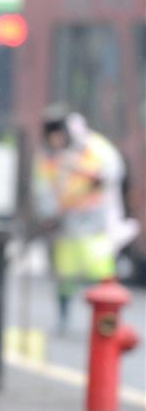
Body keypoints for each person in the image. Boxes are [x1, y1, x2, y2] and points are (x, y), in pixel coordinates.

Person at [33, 105, 131, 331]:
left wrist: (83, 171)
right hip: (65, 224)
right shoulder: (47, 157)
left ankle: (107, 319)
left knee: (102, 271)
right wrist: (47, 214)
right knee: (65, 276)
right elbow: (42, 187)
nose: (56, 140)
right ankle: (64, 318)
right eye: (52, 136)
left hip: (94, 222)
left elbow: (112, 172)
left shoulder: (93, 147)